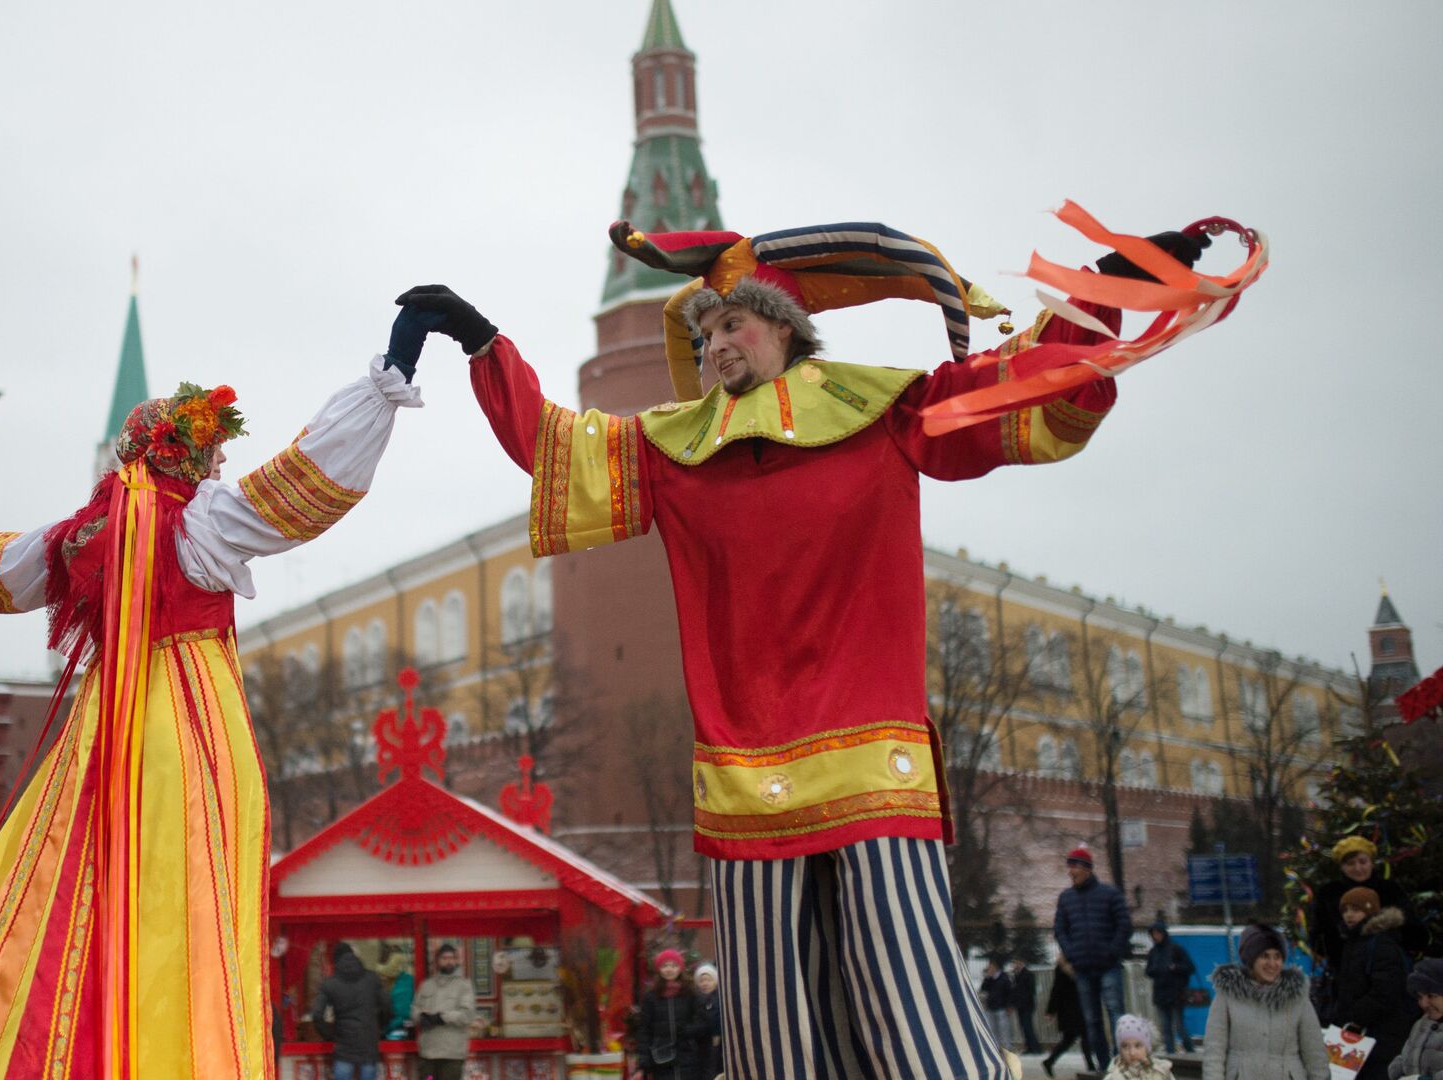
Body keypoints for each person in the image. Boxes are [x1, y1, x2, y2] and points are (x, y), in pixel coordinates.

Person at [403, 208, 1235, 1080]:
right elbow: (554, 447)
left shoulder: (887, 410)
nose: (717, 342)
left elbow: (1016, 385)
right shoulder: (676, 452)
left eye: (734, 322)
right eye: (707, 328)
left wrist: (1110, 288)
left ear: (787, 331)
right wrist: (482, 341)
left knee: (908, 990)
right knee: (769, 1025)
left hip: (873, 762)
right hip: (743, 777)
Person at [0, 311, 431, 1078]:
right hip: (189, 728)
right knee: (187, 903)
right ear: (186, 454)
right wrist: (392, 373)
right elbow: (304, 484)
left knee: (65, 886)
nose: (217, 466)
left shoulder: (83, 534)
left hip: (105, 724)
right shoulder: (204, 521)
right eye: (211, 452)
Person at [1201, 923, 1328, 1080]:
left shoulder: (1297, 997)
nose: (1272, 964)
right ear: (1251, 959)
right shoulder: (1228, 995)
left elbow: (1314, 1052)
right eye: (1265, 956)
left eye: (1277, 957)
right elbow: (1214, 1050)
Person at [1055, 846, 1134, 1066]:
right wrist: (1071, 953)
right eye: (1069, 867)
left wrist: (1112, 952)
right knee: (1092, 1021)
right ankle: (1104, 1065)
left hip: (1108, 966)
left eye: (1074, 867)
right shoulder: (1066, 898)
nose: (1070, 872)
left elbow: (1124, 925)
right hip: (1083, 969)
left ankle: (1123, 1063)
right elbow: (1060, 929)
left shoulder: (1110, 894)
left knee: (1116, 1014)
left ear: (1087, 868)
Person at [1332, 887, 1416, 1080]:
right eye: (1345, 910)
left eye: (1355, 909)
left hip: (1379, 1037)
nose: (1349, 915)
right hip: (1361, 1037)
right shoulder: (1355, 942)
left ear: (1371, 911)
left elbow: (1386, 990)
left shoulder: (1380, 944)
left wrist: (1353, 1018)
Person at [1312, 837, 1427, 977]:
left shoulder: (1390, 889)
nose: (1358, 868)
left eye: (1363, 862)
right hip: (1345, 970)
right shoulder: (1329, 893)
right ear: (1342, 867)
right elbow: (1318, 934)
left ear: (1372, 863)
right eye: (1350, 863)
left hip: (1388, 968)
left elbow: (1415, 932)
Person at [313, 942, 392, 1080]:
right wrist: (380, 1028)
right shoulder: (372, 978)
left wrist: (329, 1035)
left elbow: (317, 1015)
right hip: (369, 1046)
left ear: (335, 960)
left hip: (343, 1048)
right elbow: (387, 1006)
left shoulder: (330, 983)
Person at [630, 950, 712, 1080]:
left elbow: (704, 1022)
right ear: (659, 969)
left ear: (680, 968)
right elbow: (644, 1030)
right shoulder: (651, 996)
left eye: (673, 965)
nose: (669, 970)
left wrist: (688, 1031)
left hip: (688, 1056)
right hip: (660, 1058)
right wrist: (643, 1059)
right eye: (665, 966)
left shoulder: (690, 993)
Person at [412, 943, 477, 1080]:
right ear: (437, 961)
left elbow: (467, 1015)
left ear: (456, 960)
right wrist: (421, 1017)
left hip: (451, 1054)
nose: (448, 961)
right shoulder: (426, 985)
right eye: (444, 958)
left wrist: (442, 1017)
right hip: (428, 1053)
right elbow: (414, 1009)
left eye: (452, 958)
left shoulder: (464, 985)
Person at [1145, 920, 1198, 1053]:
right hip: (1161, 994)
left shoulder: (1175, 949)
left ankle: (1190, 1051)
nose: (1155, 936)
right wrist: (1156, 970)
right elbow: (1148, 971)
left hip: (1176, 994)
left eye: (1157, 933)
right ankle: (1171, 1055)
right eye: (1153, 934)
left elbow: (1190, 967)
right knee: (1166, 1028)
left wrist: (1175, 968)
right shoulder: (1153, 952)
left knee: (1179, 1027)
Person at [1386, 957, 1443, 1079]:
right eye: (1419, 997)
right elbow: (1404, 1058)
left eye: (1431, 996)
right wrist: (1398, 1072)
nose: (1423, 1004)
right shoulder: (1422, 1023)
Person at [1044, 955, 1097, 1078]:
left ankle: (1050, 1061)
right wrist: (1050, 1010)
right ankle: (1090, 1065)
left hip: (1073, 1008)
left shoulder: (1069, 965)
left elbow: (1056, 989)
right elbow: (1056, 990)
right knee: (1082, 1036)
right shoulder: (1067, 967)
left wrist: (1051, 1010)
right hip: (1072, 1008)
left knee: (1070, 1039)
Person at [1104, 1014, 1174, 1080]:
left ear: (1147, 1048)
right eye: (1125, 1047)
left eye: (1138, 1046)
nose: (1132, 1053)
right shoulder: (1114, 1077)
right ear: (1120, 1050)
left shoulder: (1162, 1071)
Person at [693, 963, 723, 1080]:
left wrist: (717, 1034)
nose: (705, 984)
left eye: (708, 980)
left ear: (715, 982)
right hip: (700, 1043)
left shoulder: (720, 999)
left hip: (718, 1043)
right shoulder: (695, 1000)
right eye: (702, 980)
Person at [980, 958, 1015, 1049]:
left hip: (1001, 1007)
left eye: (991, 967)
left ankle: (1007, 1047)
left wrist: (1009, 1006)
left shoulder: (1004, 978)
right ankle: (996, 1046)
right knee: (992, 1028)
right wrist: (987, 978)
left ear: (995, 968)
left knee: (1003, 1029)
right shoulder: (989, 979)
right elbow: (983, 989)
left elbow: (1009, 993)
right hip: (991, 1007)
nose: (989, 969)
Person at [1010, 958, 1043, 1054]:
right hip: (1020, 1005)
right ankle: (1030, 1047)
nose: (1015, 965)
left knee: (1028, 1026)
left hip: (1027, 1005)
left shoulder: (1028, 974)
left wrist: (1023, 1000)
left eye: (1016, 963)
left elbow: (1030, 990)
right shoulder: (1016, 975)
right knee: (1024, 1027)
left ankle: (1034, 1047)